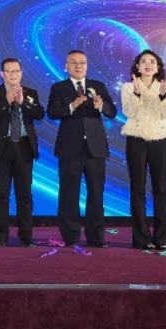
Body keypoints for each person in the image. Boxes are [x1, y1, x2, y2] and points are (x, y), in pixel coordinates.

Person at [46, 50, 117, 248]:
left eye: (82, 62)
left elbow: (112, 112)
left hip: (95, 148)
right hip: (70, 148)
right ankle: (70, 236)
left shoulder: (98, 86)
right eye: (74, 62)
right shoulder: (59, 87)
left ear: (87, 65)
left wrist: (101, 105)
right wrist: (72, 105)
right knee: (69, 193)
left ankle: (96, 237)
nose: (78, 66)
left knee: (96, 193)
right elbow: (52, 112)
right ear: (66, 66)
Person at [0, 58, 45, 247]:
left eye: (16, 71)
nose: (13, 74)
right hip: (1, 148)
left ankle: (26, 237)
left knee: (24, 195)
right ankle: (1, 236)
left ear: (21, 72)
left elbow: (40, 114)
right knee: (1, 195)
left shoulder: (30, 92)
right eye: (9, 71)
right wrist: (6, 101)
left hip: (24, 148)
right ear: (2, 74)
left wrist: (23, 102)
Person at [121, 49, 166, 250]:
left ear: (158, 66)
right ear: (137, 66)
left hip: (159, 139)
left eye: (152, 61)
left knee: (160, 188)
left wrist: (162, 95)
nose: (148, 64)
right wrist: (136, 93)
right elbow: (128, 111)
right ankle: (141, 238)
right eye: (143, 61)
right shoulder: (128, 87)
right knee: (138, 188)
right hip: (136, 139)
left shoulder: (165, 87)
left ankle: (162, 238)